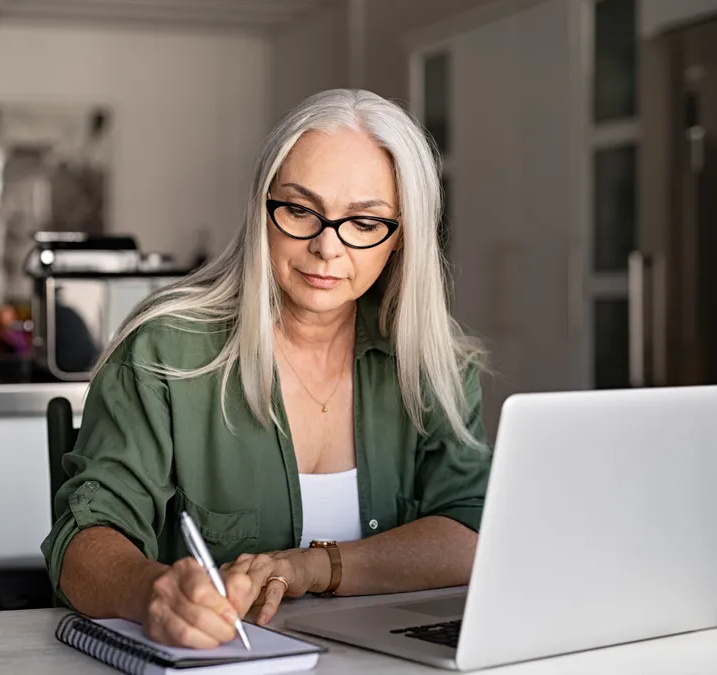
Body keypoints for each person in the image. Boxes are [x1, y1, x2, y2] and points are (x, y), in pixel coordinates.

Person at [40, 88, 491, 650]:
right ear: (262, 209)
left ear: (401, 238)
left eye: (365, 221)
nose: (327, 247)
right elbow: (82, 542)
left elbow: (471, 533)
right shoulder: (163, 350)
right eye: (301, 210)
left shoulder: (433, 363)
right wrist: (150, 592)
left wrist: (311, 567)